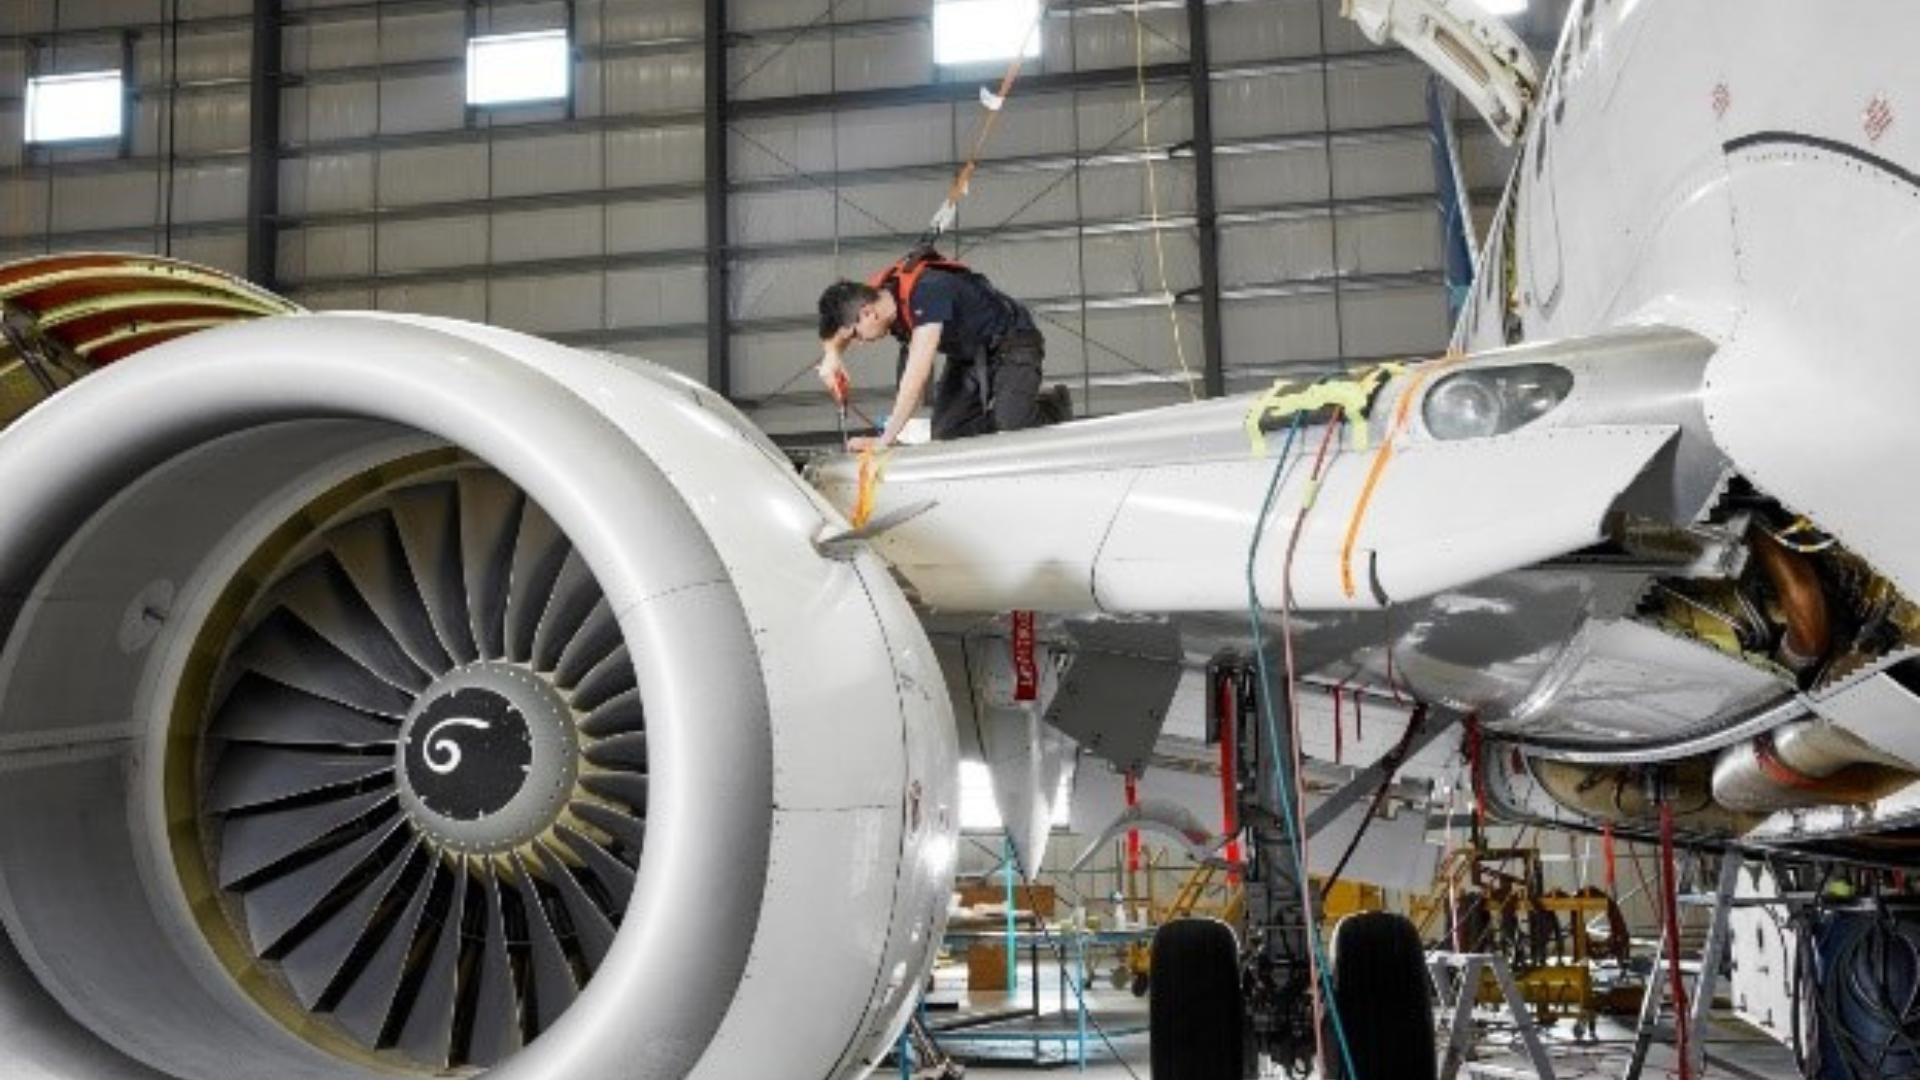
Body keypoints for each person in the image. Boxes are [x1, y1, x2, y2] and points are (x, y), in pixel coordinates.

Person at [816, 248, 1069, 451]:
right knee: (947, 433)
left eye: (856, 335)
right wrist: (832, 355)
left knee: (1013, 424)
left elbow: (916, 376)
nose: (859, 342)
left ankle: (1052, 406)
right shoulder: (875, 296)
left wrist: (885, 440)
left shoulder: (928, 292)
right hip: (968, 354)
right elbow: (835, 330)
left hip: (1013, 342)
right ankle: (1013, 410)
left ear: (868, 313)